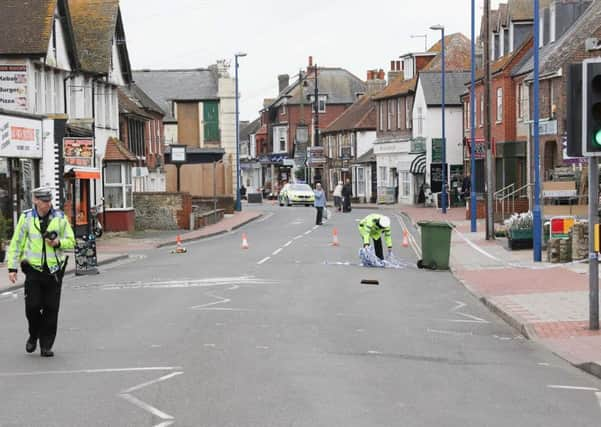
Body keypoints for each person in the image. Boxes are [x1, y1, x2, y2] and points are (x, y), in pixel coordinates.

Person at [7, 187, 75, 357]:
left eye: (49, 201)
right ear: (35, 200)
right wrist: (12, 267)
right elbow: (17, 242)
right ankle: (33, 334)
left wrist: (58, 243)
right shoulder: (27, 218)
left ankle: (46, 345)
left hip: (54, 271)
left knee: (51, 309)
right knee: (32, 307)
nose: (47, 204)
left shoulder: (59, 217)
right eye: (44, 201)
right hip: (33, 270)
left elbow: (71, 241)